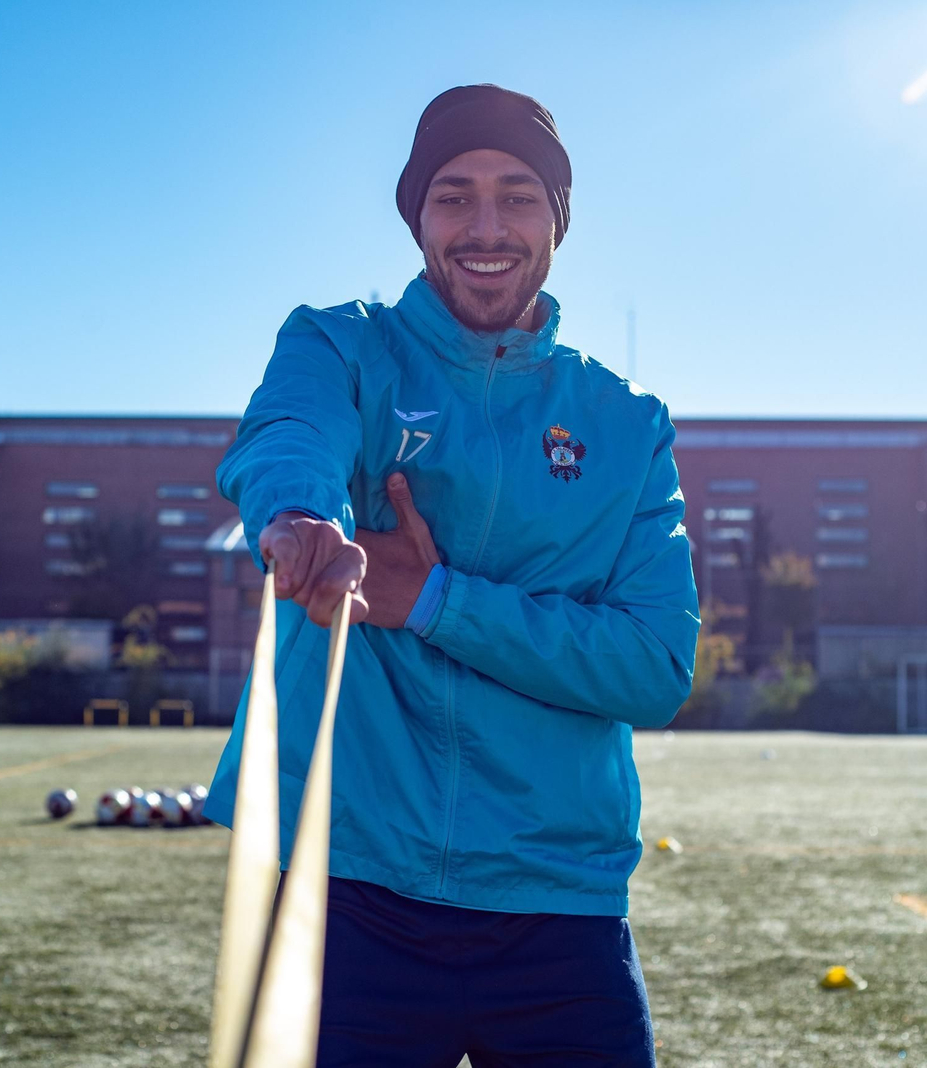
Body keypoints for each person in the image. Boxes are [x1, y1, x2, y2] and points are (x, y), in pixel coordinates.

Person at [202, 84, 701, 1066]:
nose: (485, 226)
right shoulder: (341, 346)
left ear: (558, 217)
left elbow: (653, 665)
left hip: (558, 905)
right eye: (452, 195)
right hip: (342, 886)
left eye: (518, 196)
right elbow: (288, 430)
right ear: (416, 217)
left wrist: (434, 601)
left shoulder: (625, 422)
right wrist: (301, 517)